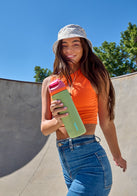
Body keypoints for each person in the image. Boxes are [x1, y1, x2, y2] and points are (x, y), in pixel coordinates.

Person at [40, 24, 127, 195]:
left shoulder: (97, 76)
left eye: (75, 44)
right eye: (64, 45)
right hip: (66, 163)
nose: (69, 49)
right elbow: (44, 129)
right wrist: (58, 120)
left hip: (91, 161)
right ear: (59, 49)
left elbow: (107, 122)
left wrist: (117, 156)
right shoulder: (49, 82)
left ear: (84, 47)